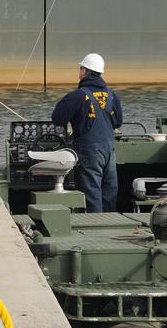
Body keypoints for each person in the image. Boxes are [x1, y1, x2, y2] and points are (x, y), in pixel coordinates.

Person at [51, 53, 123, 214]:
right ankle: (111, 224)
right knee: (109, 190)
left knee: (92, 191)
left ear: (85, 71)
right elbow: (118, 122)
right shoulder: (112, 95)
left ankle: (95, 226)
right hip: (109, 150)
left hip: (89, 151)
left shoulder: (78, 95)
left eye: (80, 68)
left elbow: (57, 118)